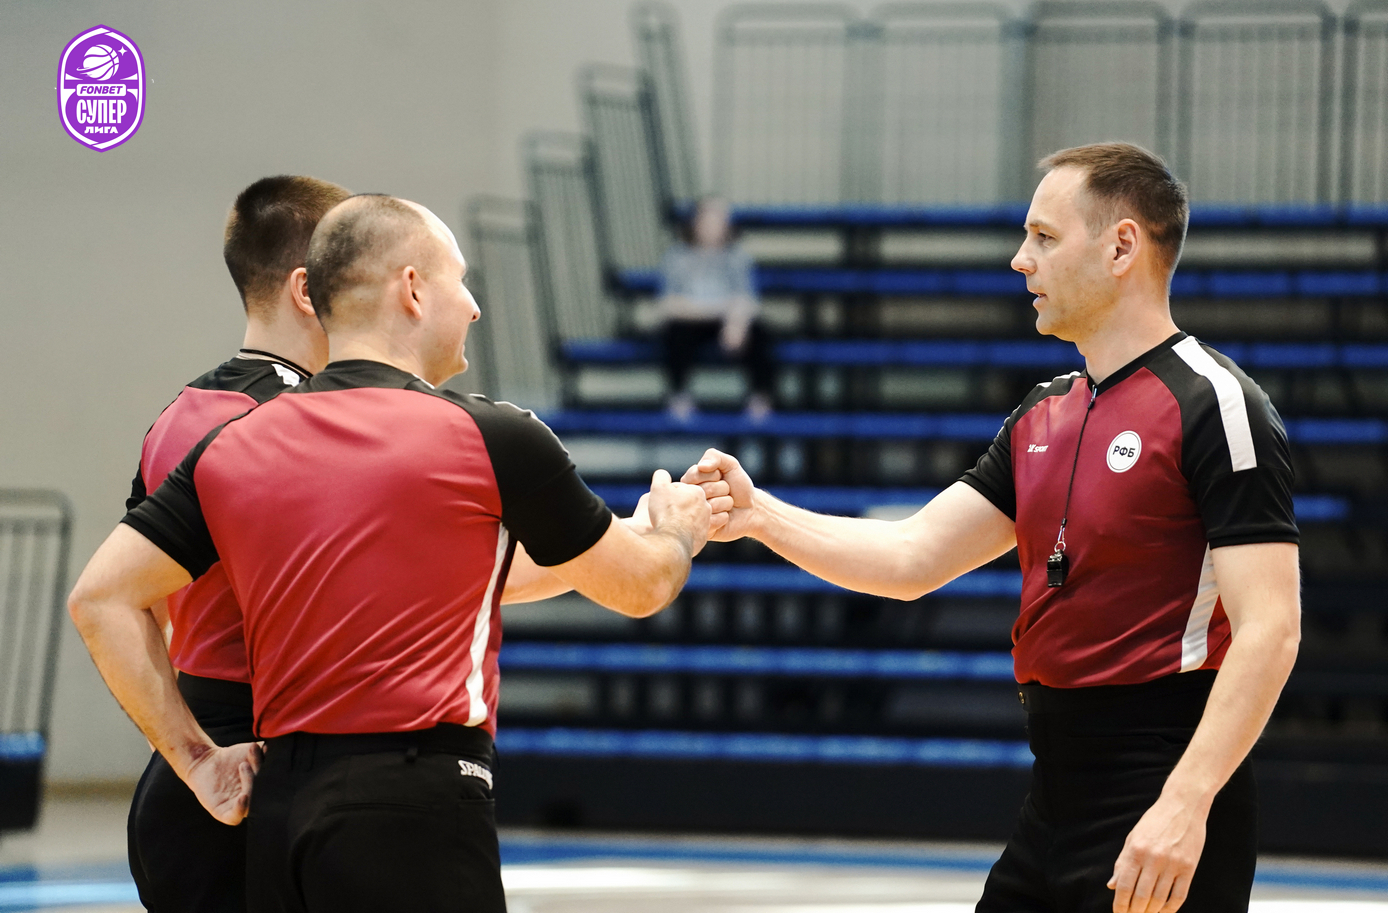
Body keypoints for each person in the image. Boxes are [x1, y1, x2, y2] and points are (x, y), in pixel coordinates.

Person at [684, 143, 1300, 913]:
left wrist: (1185, 803)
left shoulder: (1218, 404)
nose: (1020, 259)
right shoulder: (1041, 413)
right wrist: (758, 515)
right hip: (1053, 798)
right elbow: (912, 557)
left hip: (1160, 788)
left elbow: (1271, 628)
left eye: (1044, 237)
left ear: (1121, 248)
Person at [68, 194, 722, 913]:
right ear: (411, 289)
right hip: (413, 802)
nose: (474, 306)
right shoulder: (492, 436)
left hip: (276, 803)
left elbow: (100, 598)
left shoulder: (231, 442)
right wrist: (675, 529)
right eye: (460, 281)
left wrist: (195, 759)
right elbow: (641, 587)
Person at [124, 174, 350, 913]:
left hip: (187, 781)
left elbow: (141, 607)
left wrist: (187, 752)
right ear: (308, 289)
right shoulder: (306, 424)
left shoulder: (175, 415)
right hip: (269, 776)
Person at [658, 197, 774, 421]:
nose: (713, 226)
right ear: (696, 222)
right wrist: (719, 309)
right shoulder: (676, 256)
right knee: (675, 332)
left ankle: (760, 397)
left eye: (719, 220)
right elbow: (668, 305)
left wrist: (737, 322)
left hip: (726, 322)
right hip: (690, 322)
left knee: (760, 332)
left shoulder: (737, 256)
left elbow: (748, 300)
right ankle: (679, 395)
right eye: (708, 219)